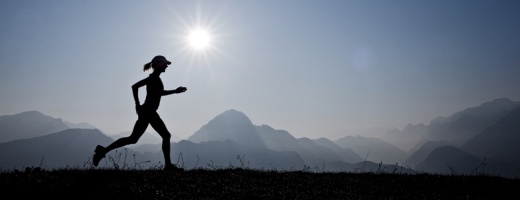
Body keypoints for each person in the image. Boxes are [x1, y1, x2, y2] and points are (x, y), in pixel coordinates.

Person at [92, 55, 187, 171]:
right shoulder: (153, 78)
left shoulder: (155, 78)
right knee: (165, 135)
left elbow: (156, 92)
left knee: (133, 139)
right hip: (149, 112)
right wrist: (137, 104)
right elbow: (135, 87)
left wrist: (175, 91)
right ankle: (168, 165)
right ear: (158, 65)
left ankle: (103, 150)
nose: (167, 66)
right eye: (165, 64)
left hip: (148, 112)